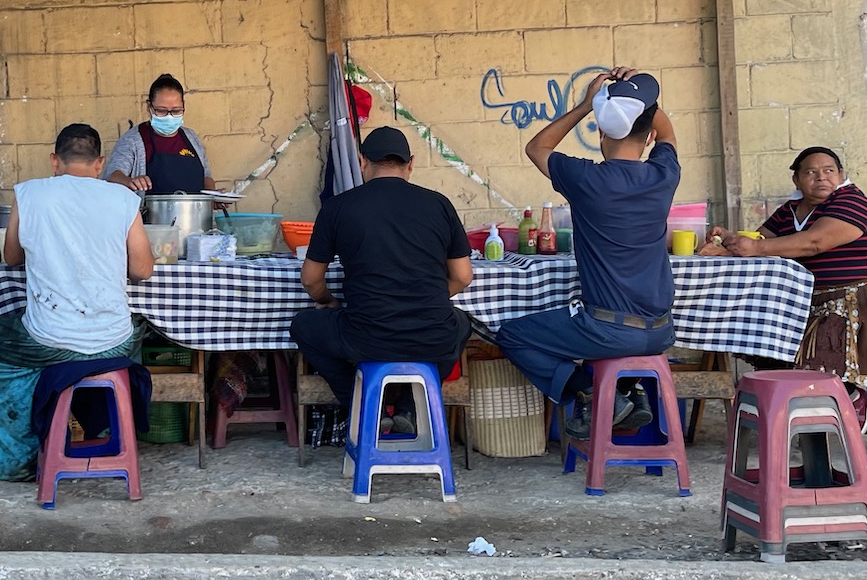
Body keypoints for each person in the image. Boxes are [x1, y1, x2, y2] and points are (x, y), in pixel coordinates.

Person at [492, 68, 681, 439]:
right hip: (661, 330)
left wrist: (585, 105)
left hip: (607, 331)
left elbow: (536, 148)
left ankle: (593, 393)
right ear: (650, 139)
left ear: (602, 133)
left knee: (513, 336)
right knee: (590, 335)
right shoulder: (664, 174)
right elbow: (669, 131)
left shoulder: (587, 180)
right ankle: (626, 392)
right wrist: (639, 95)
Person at [0, 123, 156, 482]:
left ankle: (16, 461)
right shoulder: (123, 198)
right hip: (113, 340)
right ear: (99, 164)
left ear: (54, 161)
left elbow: (11, 258)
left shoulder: (30, 193)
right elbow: (143, 269)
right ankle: (102, 433)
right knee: (138, 333)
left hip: (49, 338)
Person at [290, 126, 474, 422]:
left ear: (362, 162)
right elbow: (463, 276)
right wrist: (429, 297)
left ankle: (363, 406)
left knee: (303, 326)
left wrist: (330, 301)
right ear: (410, 163)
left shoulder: (338, 207)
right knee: (461, 324)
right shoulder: (439, 204)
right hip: (432, 335)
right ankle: (411, 407)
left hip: (366, 337)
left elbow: (311, 280)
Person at [701, 145, 867, 410]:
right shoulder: (792, 210)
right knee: (755, 326)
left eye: (829, 171)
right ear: (797, 179)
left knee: (820, 342)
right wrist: (727, 242)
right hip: (805, 302)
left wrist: (755, 248)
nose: (821, 177)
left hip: (854, 302)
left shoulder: (851, 202)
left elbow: (813, 242)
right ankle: (785, 400)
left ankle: (848, 393)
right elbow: (761, 241)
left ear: (841, 175)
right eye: (811, 172)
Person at [106, 73, 217, 194]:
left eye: (176, 110)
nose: (169, 116)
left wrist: (214, 196)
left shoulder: (192, 138)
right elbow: (113, 175)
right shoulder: (133, 140)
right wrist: (130, 181)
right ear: (149, 107)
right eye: (161, 110)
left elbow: (206, 176)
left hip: (195, 212)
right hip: (149, 212)